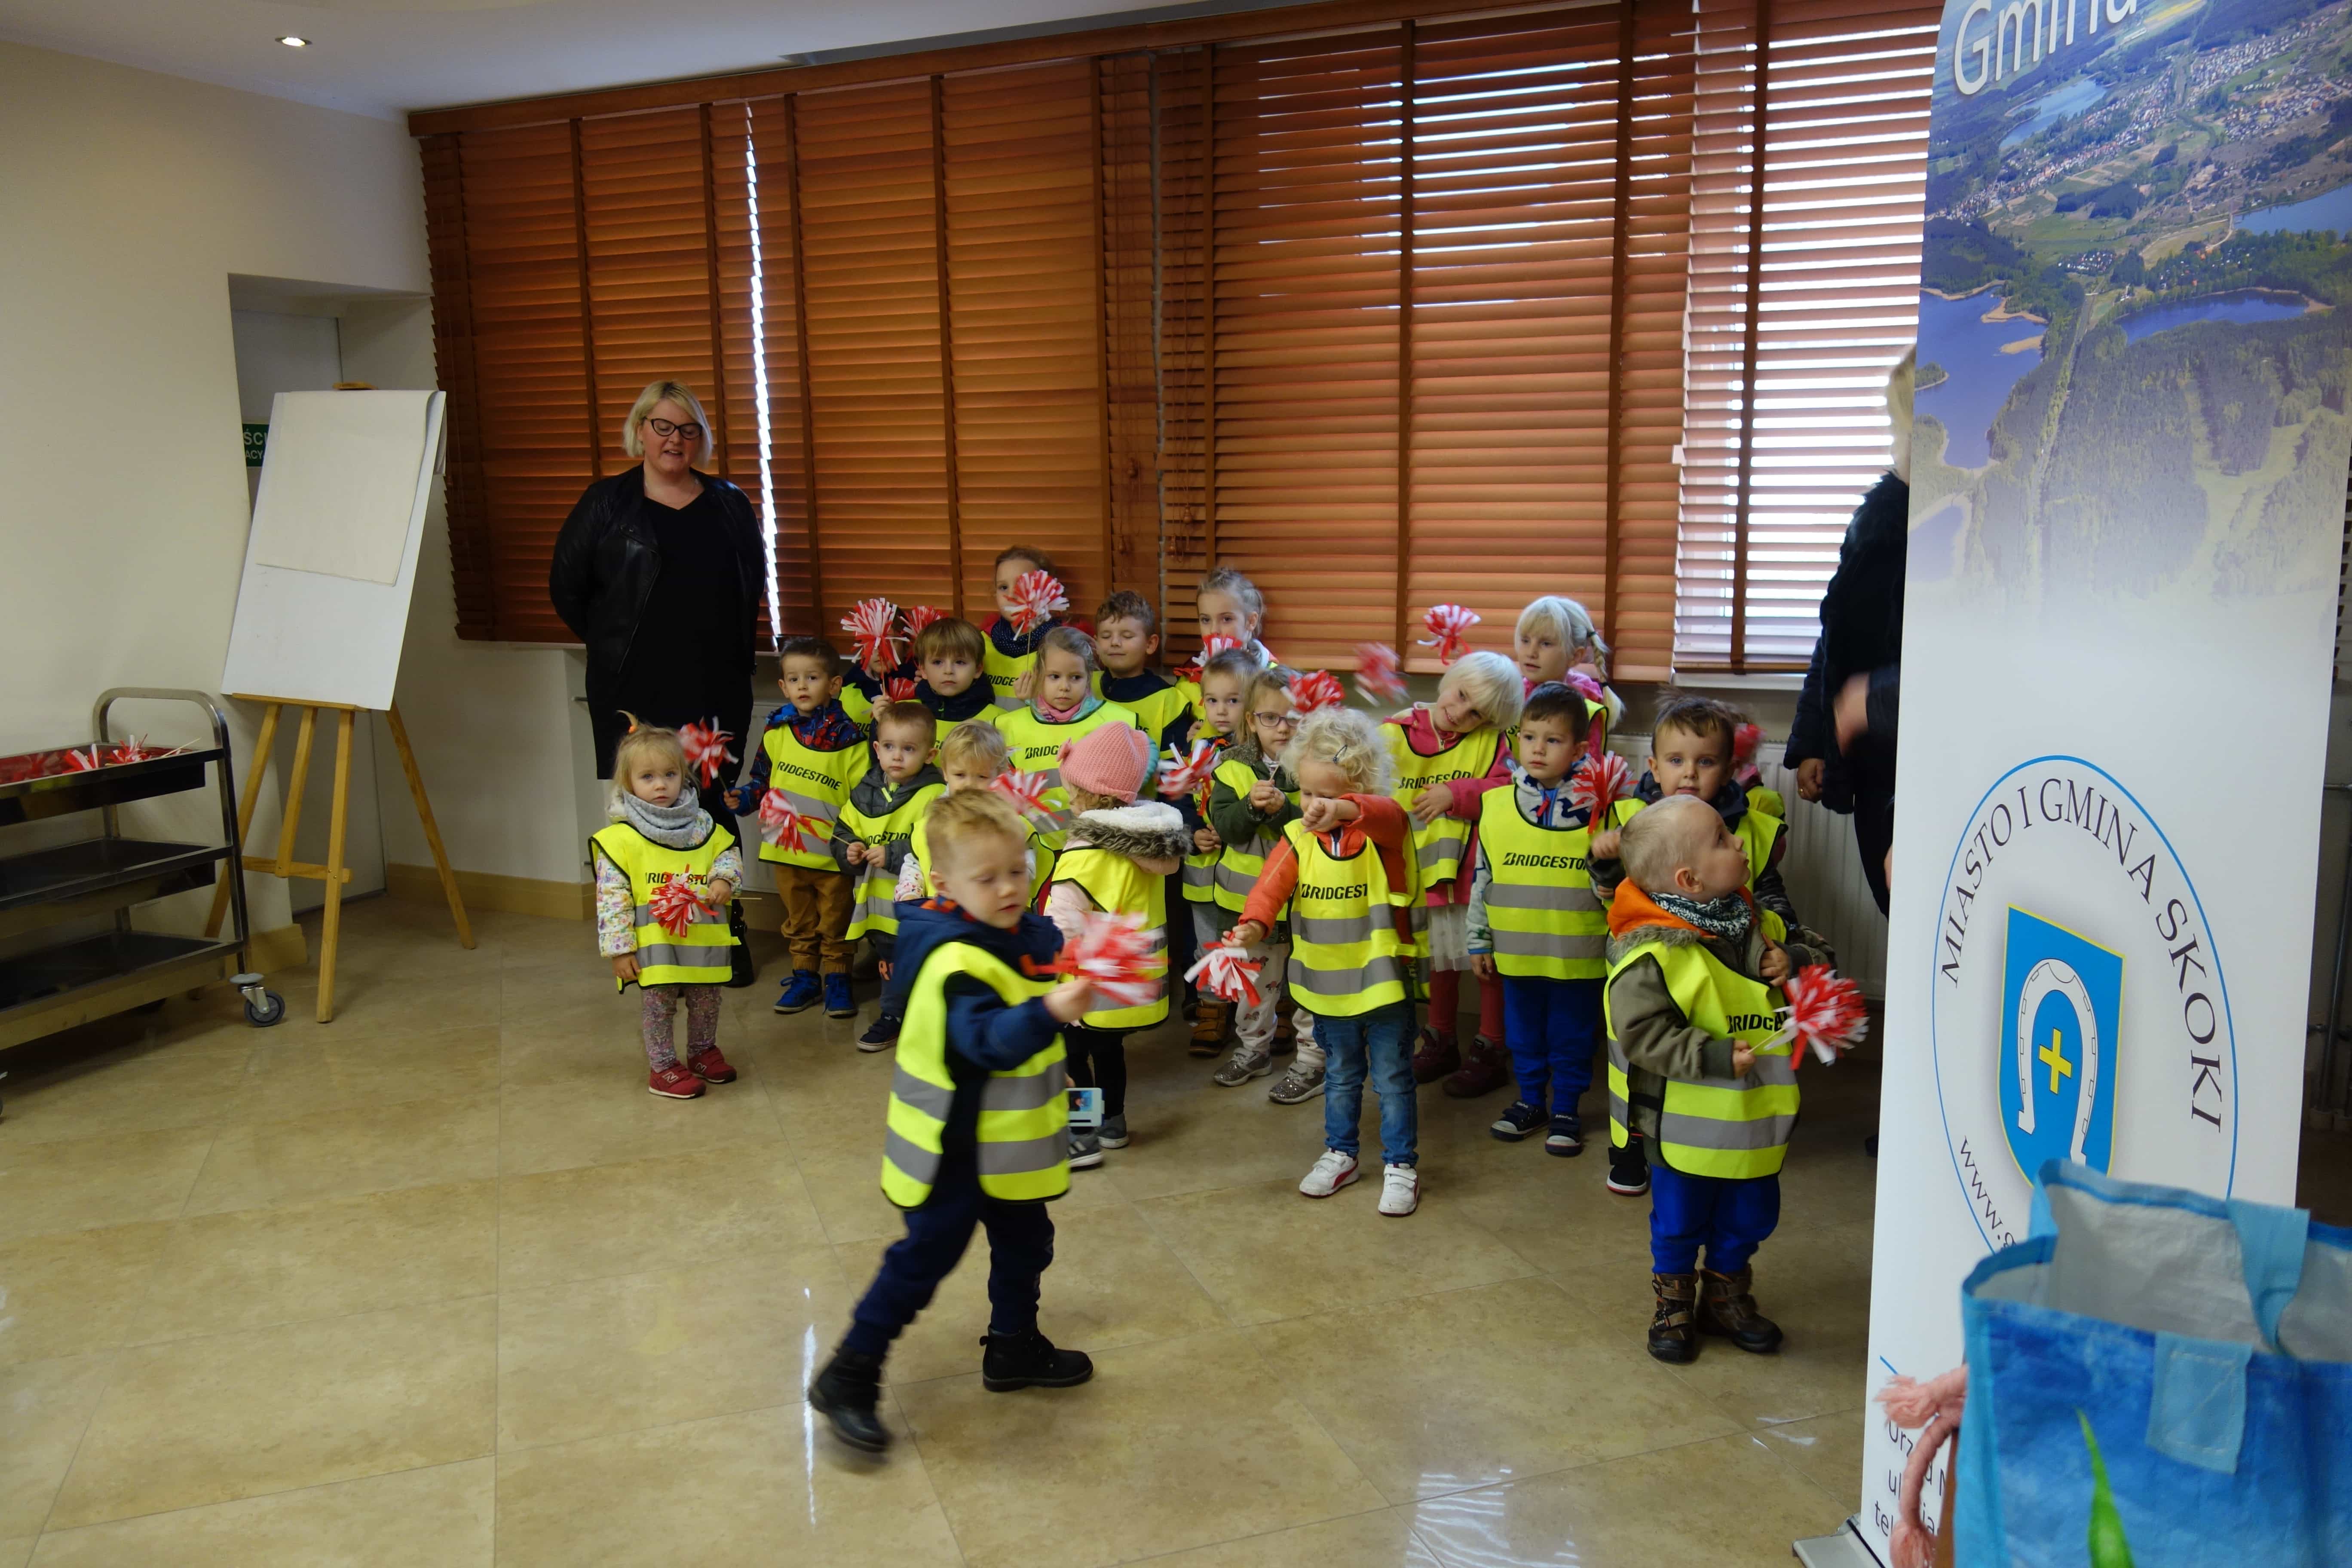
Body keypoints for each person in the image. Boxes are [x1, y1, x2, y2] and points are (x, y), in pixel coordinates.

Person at [806, 790, 1099, 1455]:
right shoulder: (953, 958)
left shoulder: (1018, 937)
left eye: (1017, 871)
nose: (1008, 888)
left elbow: (1027, 1014)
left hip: (1004, 1142)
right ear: (943, 883)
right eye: (987, 878)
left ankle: (1014, 1346)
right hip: (951, 1147)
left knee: (1027, 1241)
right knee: (925, 1258)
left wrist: (1058, 1061)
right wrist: (1052, 1013)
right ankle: (849, 1374)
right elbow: (987, 1041)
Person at [551, 379, 767, 985]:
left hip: (715, 684)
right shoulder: (606, 502)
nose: (675, 440)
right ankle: (648, 937)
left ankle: (723, 931)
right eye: (663, 427)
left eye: (688, 429)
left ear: (701, 438)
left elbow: (752, 582)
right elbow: (567, 588)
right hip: (635, 688)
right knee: (645, 807)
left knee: (712, 808)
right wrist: (617, 644)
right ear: (640, 431)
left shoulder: (728, 502)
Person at [1605, 796, 1830, 1364]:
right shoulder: (1651, 952)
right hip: (1684, 1130)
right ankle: (1675, 1303)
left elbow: (1825, 959)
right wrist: (1711, 1056)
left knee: (1751, 1216)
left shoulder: (1764, 924)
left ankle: (1726, 1295)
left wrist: (1795, 960)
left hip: (1757, 1122)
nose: (1740, 843)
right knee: (1679, 1221)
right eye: (1723, 841)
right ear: (1690, 880)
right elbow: (1641, 1034)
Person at [1228, 706, 1424, 1216]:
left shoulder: (1385, 831)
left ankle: (1401, 1165)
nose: (1314, 806)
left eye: (1328, 796)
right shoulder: (1297, 837)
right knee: (1340, 1075)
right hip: (1326, 987)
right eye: (1308, 793)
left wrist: (1342, 809)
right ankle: (1341, 1154)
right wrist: (1253, 925)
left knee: (1393, 1078)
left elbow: (1385, 815)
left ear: (1360, 791)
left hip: (1383, 982)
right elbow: (1270, 887)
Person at [1787, 349, 1911, 916]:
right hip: (1870, 762)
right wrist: (1813, 740)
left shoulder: (1953, 527)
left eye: (1900, 429)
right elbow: (1834, 638)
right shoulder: (1878, 522)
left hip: (1914, 758)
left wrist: (1872, 700)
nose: (1895, 445)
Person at [1467, 684, 1610, 1160]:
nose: (1538, 749)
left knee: (1571, 1037)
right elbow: (1483, 878)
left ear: (1580, 749)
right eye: (1529, 737)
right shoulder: (1496, 806)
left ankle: (1566, 1109)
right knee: (1523, 1035)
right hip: (1518, 956)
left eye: (1553, 740)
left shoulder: (1605, 808)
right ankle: (1531, 1102)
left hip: (1578, 957)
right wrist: (1478, 940)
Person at [1044, 722, 1189, 1167]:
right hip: (1128, 980)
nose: (1070, 798)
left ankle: (1082, 1133)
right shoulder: (1151, 844)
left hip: (1086, 981)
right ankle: (1114, 1122)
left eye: (1074, 791)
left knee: (1074, 1056)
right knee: (1110, 1053)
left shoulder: (1085, 853)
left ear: (1091, 795)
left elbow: (1061, 921)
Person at [1387, 649, 1525, 1097]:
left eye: (1476, 713)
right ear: (1450, 680)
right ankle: (1441, 1039)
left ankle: (1491, 1048)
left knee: (1486, 964)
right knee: (1440, 961)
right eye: (1462, 696)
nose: (1460, 713)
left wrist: (1456, 793)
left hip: (1470, 875)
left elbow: (1511, 789)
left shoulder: (1492, 742)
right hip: (1416, 873)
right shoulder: (1397, 730)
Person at [590, 718, 744, 1099]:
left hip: (702, 941)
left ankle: (702, 1052)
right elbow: (612, 900)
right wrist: (620, 951)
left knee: (707, 1001)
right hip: (654, 947)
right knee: (659, 1007)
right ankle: (662, 1068)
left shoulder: (702, 824)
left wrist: (724, 879)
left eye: (670, 774)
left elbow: (727, 853)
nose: (661, 785)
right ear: (628, 783)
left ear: (684, 776)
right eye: (648, 777)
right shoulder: (621, 838)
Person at [727, 636, 865, 1019]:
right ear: (783, 686)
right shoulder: (776, 732)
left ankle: (838, 978)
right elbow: (762, 780)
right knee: (799, 920)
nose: (803, 686)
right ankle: (805, 977)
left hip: (832, 853)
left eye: (812, 677)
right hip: (785, 849)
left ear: (834, 685)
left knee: (836, 919)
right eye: (794, 679)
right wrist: (744, 798)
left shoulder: (852, 742)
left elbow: (862, 801)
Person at [1204, 665, 1323, 1099]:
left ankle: (1312, 1062)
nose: (1284, 728)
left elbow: (1319, 827)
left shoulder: (1317, 768)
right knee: (1253, 985)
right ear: (1252, 721)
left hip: (1308, 903)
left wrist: (1282, 813)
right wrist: (1252, 808)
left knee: (1309, 987)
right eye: (1271, 718)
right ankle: (1254, 1050)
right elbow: (1228, 829)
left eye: (1295, 718)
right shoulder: (1231, 769)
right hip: (1248, 906)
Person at [1590, 694, 1798, 928]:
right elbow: (1610, 885)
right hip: (1651, 943)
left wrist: (1784, 939)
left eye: (1706, 762)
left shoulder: (1755, 831)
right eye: (1676, 761)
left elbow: (1775, 905)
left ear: (1728, 771)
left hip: (1726, 947)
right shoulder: (1632, 819)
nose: (1690, 772)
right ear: (1655, 769)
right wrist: (1606, 861)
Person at [1093, 591, 1200, 1015]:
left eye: (1126, 635)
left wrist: (1183, 830)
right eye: (1106, 636)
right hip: (1096, 823)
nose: (1115, 643)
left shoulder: (1169, 700)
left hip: (1152, 822)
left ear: (1150, 643)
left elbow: (1177, 773)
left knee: (1169, 911)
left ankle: (1187, 990)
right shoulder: (1086, 688)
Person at [836, 702, 947, 1049]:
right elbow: (842, 831)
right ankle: (893, 1016)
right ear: (877, 748)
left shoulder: (936, 795)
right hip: (879, 909)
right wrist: (850, 849)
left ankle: (925, 1019)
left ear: (930, 755)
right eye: (889, 747)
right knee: (890, 967)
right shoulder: (864, 791)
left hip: (919, 911)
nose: (897, 756)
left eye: (909, 749)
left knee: (923, 965)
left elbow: (939, 844)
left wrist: (894, 854)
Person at [990, 626, 1141, 849]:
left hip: (1093, 851)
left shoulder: (1117, 724)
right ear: (1038, 675)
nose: (1064, 687)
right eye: (1054, 677)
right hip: (1030, 853)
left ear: (1089, 678)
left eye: (1075, 677)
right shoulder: (1007, 726)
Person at [1180, 647, 1251, 1057]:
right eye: (1212, 700)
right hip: (1204, 864)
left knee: (1252, 941)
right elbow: (1183, 799)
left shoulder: (1261, 752)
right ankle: (1213, 1008)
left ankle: (1268, 1009)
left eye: (1233, 700)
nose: (1221, 710)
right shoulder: (1197, 747)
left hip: (1245, 865)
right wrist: (1194, 833)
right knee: (1208, 940)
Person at [1513, 594, 1624, 759]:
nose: (1531, 653)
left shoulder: (1585, 706)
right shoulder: (1512, 695)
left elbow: (1588, 766)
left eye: (1546, 644)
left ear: (1575, 656)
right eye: (1525, 640)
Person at [980, 545, 1084, 710]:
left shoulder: (1066, 646)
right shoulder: (981, 642)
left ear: (1045, 589)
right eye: (1003, 587)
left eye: (1022, 585)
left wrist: (1037, 702)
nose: (1011, 595)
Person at [910, 615, 995, 725]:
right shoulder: (905, 715)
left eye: (960, 662)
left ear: (978, 670)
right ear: (923, 670)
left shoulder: (997, 720)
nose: (948, 671)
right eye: (938, 662)